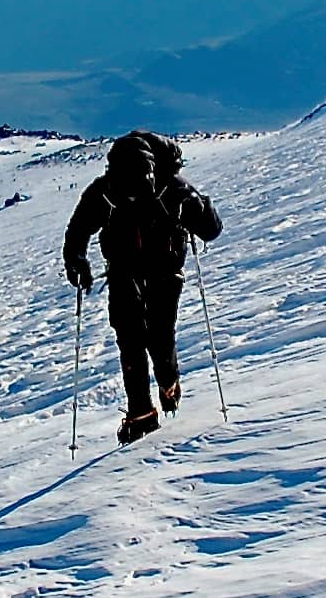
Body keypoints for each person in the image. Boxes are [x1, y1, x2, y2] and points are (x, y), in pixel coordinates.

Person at [63, 130, 223, 443]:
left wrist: (199, 209)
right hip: (124, 273)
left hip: (165, 271)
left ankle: (168, 381)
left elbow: (212, 229)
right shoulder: (104, 192)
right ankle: (141, 414)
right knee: (130, 338)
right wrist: (76, 260)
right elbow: (78, 230)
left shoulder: (172, 188)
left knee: (159, 337)